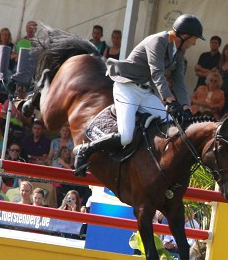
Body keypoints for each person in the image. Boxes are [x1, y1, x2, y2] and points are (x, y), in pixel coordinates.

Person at [75, 14, 203, 167]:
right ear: (184, 35)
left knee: (170, 126)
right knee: (126, 137)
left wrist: (186, 107)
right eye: (194, 38)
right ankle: (86, 149)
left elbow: (179, 80)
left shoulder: (179, 51)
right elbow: (157, 73)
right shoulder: (158, 41)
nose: (194, 43)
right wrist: (170, 100)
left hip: (144, 91)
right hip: (126, 87)